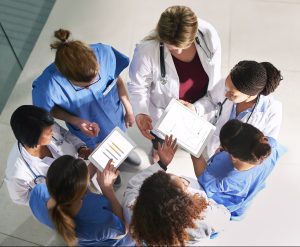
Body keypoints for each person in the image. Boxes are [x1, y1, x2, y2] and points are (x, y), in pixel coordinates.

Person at [32, 29, 140, 185]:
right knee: (100, 154)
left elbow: (116, 79)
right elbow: (49, 110)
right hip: (87, 131)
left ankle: (122, 155)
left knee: (120, 137)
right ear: (66, 76)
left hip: (115, 115)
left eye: (95, 80)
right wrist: (75, 121)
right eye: (85, 86)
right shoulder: (47, 86)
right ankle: (110, 169)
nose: (92, 87)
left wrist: (128, 107)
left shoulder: (105, 53)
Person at [128, 5, 221, 163]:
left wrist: (197, 108)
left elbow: (215, 78)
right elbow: (138, 86)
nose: (177, 52)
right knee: (161, 145)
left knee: (197, 143)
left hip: (200, 103)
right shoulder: (147, 51)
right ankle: (158, 146)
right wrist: (141, 112)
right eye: (171, 47)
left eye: (182, 47)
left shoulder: (208, 36)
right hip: (164, 110)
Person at [122, 135, 230, 246]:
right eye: (184, 184)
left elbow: (133, 186)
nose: (185, 182)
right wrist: (203, 201)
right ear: (182, 203)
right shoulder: (204, 219)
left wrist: (162, 164)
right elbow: (225, 215)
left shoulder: (133, 211)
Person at [182, 60, 283, 157]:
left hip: (236, 162)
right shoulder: (228, 84)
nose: (226, 94)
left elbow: (266, 147)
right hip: (211, 146)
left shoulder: (271, 110)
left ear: (251, 95)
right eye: (226, 88)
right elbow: (211, 100)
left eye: (232, 94)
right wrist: (195, 109)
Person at [192, 119, 287, 220]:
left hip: (216, 209)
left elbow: (202, 178)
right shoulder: (271, 145)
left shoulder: (222, 171)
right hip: (241, 203)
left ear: (233, 155)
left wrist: (193, 148)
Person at [29, 155, 134, 246]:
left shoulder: (37, 194)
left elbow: (70, 185)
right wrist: (107, 188)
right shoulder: (101, 220)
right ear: (83, 192)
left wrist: (94, 162)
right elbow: (124, 230)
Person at [5, 105, 91, 205]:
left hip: (82, 177)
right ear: (34, 137)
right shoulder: (17, 174)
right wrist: (51, 200)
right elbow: (22, 199)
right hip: (64, 202)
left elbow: (65, 134)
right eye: (49, 131)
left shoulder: (48, 126)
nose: (52, 131)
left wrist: (81, 148)